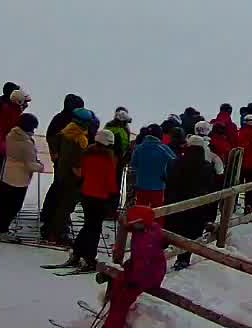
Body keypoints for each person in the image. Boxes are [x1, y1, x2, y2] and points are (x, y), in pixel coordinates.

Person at [102, 203, 168, 328]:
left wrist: (134, 281)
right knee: (117, 287)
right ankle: (112, 318)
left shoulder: (147, 241)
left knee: (122, 299)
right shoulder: (144, 228)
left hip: (149, 276)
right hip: (139, 270)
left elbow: (145, 265)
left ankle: (112, 325)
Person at [166, 133, 221, 269]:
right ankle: (183, 258)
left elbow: (170, 182)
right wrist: (210, 212)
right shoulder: (207, 166)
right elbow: (211, 188)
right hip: (198, 206)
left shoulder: (177, 162)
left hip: (178, 202)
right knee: (191, 233)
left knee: (175, 231)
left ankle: (165, 255)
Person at [66, 128, 119, 270]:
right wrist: (114, 195)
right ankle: (89, 257)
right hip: (100, 197)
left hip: (86, 194)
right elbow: (110, 180)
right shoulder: (108, 159)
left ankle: (77, 253)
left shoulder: (87, 153)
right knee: (94, 228)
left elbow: (82, 173)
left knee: (88, 226)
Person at [42, 106, 93, 242]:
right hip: (71, 178)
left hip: (60, 172)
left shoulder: (64, 132)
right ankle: (57, 233)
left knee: (57, 202)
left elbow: (54, 147)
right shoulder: (79, 139)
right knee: (65, 206)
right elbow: (77, 164)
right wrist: (81, 178)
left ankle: (49, 229)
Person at [0, 112, 40, 241]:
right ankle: (2, 231)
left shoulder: (10, 135)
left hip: (7, 173)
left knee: (2, 203)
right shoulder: (26, 143)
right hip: (20, 179)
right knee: (13, 207)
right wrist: (40, 166)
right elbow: (30, 165)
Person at [129, 126, 175, 210]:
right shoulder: (164, 148)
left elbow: (133, 165)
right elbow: (174, 161)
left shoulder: (139, 148)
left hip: (141, 185)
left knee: (141, 210)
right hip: (158, 186)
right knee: (158, 211)